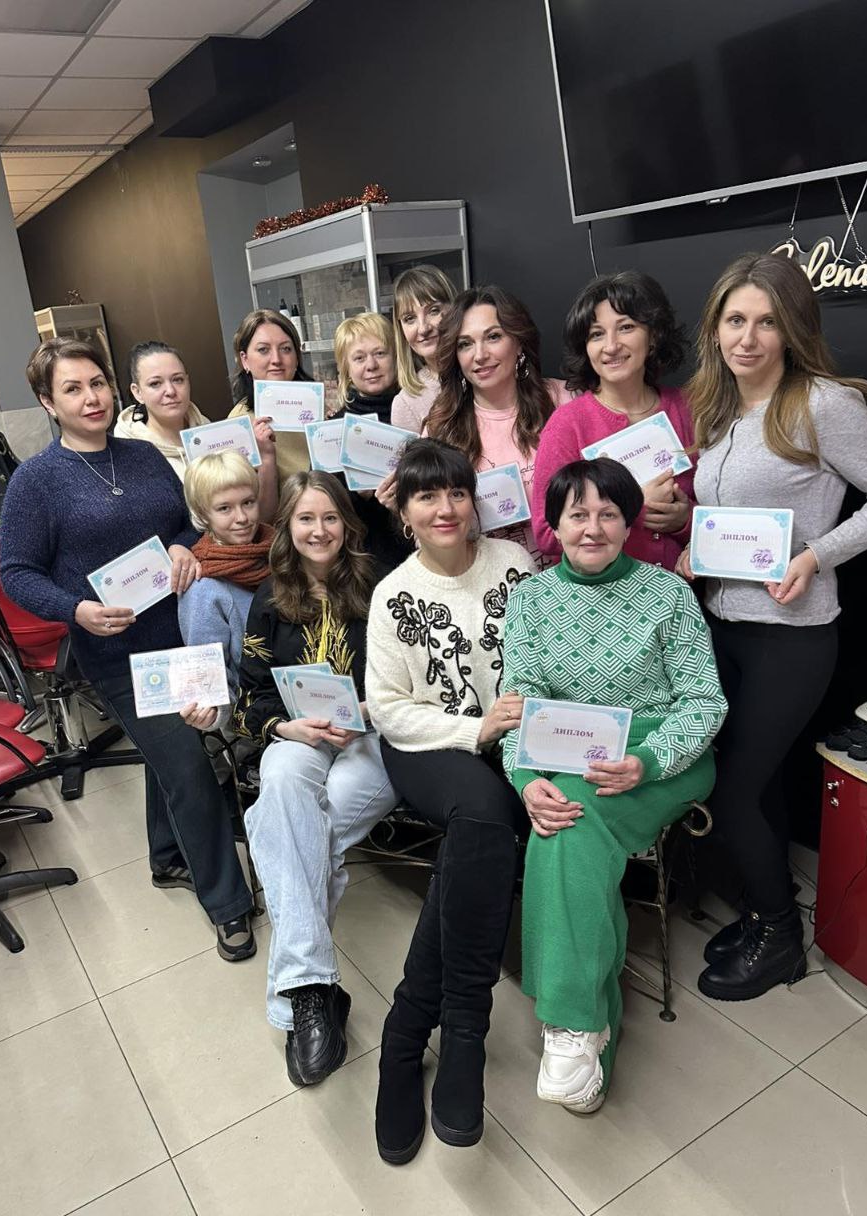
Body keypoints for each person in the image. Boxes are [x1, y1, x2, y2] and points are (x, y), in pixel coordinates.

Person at [0, 337, 256, 961]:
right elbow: (17, 572)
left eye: (97, 383)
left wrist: (183, 543)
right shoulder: (36, 481)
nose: (91, 398)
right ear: (48, 402)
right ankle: (229, 904)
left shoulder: (140, 456)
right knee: (189, 764)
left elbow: (185, 521)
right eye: (72, 389)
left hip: (179, 638)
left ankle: (167, 857)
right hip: (116, 653)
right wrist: (76, 610)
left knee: (172, 749)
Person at [677, 251, 867, 1001]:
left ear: (791, 330)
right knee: (756, 789)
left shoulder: (822, 404)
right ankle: (765, 916)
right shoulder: (720, 408)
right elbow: (734, 512)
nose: (748, 337)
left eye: (766, 322)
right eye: (735, 320)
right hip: (724, 627)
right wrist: (696, 544)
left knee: (734, 791)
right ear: (715, 328)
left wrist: (818, 556)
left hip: (791, 638)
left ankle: (781, 938)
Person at [504, 458, 725, 1111]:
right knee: (561, 822)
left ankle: (571, 1025)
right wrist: (525, 777)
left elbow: (704, 704)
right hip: (568, 753)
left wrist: (647, 761)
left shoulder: (668, 593)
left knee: (568, 824)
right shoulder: (531, 599)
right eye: (578, 514)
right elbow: (518, 700)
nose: (593, 528)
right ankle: (585, 1024)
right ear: (554, 525)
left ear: (630, 524)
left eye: (608, 514)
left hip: (663, 754)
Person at [366, 437, 534, 1164]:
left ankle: (406, 1035)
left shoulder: (515, 563)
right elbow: (388, 709)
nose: (444, 508)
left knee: (481, 832)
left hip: (509, 747)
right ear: (403, 512)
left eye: (456, 492)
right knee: (485, 815)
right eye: (426, 496)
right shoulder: (393, 592)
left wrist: (513, 730)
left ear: (474, 501)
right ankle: (466, 1029)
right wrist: (475, 730)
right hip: (427, 746)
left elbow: (543, 658)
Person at [237, 470, 397, 1086]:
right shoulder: (269, 598)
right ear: (288, 527)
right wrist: (286, 727)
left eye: (330, 517)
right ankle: (312, 990)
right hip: (300, 736)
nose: (319, 530)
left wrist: (367, 714)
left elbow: (409, 680)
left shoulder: (382, 586)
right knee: (281, 788)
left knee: (294, 838)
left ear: (348, 526)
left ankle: (300, 1002)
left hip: (372, 738)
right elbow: (250, 698)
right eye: (306, 518)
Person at [384, 285, 571, 568]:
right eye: (465, 344)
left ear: (519, 342)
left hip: (574, 579)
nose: (479, 355)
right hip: (488, 584)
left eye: (493, 337)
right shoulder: (441, 428)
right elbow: (431, 540)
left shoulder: (564, 400)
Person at [531, 271, 694, 571]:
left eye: (626, 327)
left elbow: (720, 516)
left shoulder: (687, 409)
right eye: (596, 334)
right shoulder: (568, 424)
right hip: (600, 595)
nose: (611, 346)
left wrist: (686, 520)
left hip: (679, 593)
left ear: (653, 336)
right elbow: (545, 533)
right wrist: (633, 507)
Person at [177, 448, 274, 733]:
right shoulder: (203, 587)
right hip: (257, 718)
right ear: (202, 515)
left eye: (248, 502)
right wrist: (213, 712)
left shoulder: (282, 551)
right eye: (224, 508)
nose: (241, 517)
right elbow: (210, 676)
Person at [329, 311, 409, 570]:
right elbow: (320, 504)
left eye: (380, 353)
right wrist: (356, 497)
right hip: (358, 565)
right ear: (346, 368)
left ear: (396, 357)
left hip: (418, 554)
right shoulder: (333, 429)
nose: (371, 365)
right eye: (359, 358)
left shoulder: (414, 414)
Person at [228, 308, 314, 495]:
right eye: (263, 350)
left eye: (285, 349)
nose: (276, 359)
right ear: (245, 360)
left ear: (297, 358)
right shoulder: (239, 423)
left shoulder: (318, 407)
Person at [114, 341, 211, 478]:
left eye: (178, 380)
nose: (170, 391)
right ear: (137, 392)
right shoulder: (128, 456)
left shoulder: (210, 433)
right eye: (155, 383)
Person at [389, 264, 457, 432]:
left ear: (455, 310)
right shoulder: (406, 403)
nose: (423, 328)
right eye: (409, 318)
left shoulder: (482, 372)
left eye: (433, 311)